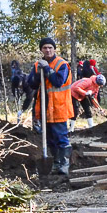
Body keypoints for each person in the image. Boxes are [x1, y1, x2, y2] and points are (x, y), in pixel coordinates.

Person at [27, 37, 74, 175]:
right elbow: (32, 84)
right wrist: (38, 74)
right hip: (45, 109)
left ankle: (64, 164)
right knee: (50, 139)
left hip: (59, 107)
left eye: (50, 47)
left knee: (61, 137)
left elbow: (58, 82)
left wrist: (47, 69)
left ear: (54, 49)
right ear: (41, 49)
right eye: (45, 48)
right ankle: (56, 162)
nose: (47, 50)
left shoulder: (62, 64)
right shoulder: (37, 65)